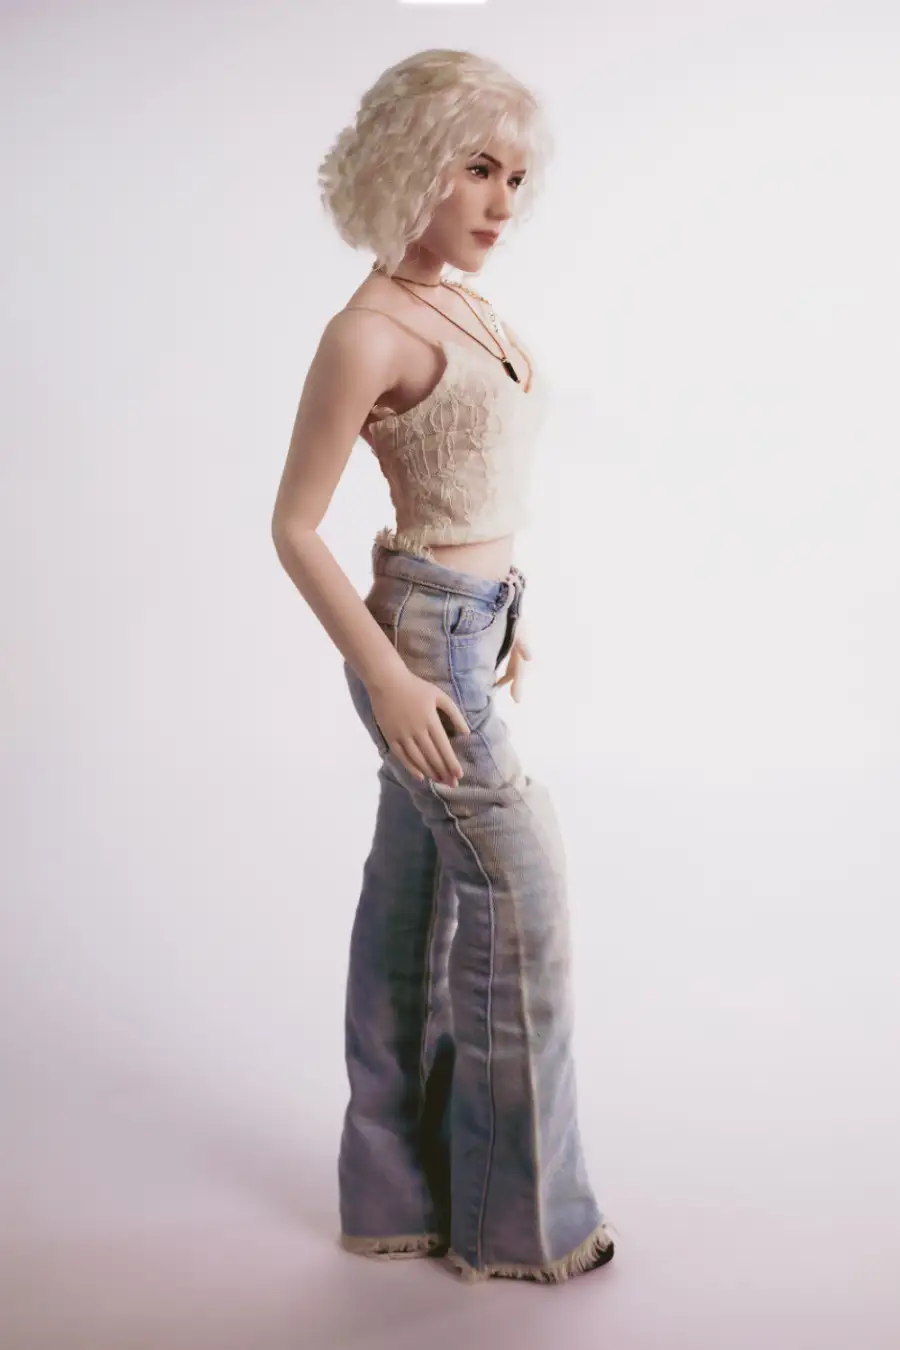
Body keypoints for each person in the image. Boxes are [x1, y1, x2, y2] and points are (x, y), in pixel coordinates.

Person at [271, 48, 617, 1285]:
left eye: (516, 176)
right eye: (478, 167)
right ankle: (515, 1223)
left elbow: (479, 483)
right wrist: (390, 676)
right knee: (523, 904)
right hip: (419, 649)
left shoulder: (466, 306)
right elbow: (294, 526)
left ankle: (392, 1192)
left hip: (470, 628)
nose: (500, 202)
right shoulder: (366, 332)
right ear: (411, 161)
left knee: (412, 896)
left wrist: (504, 615)